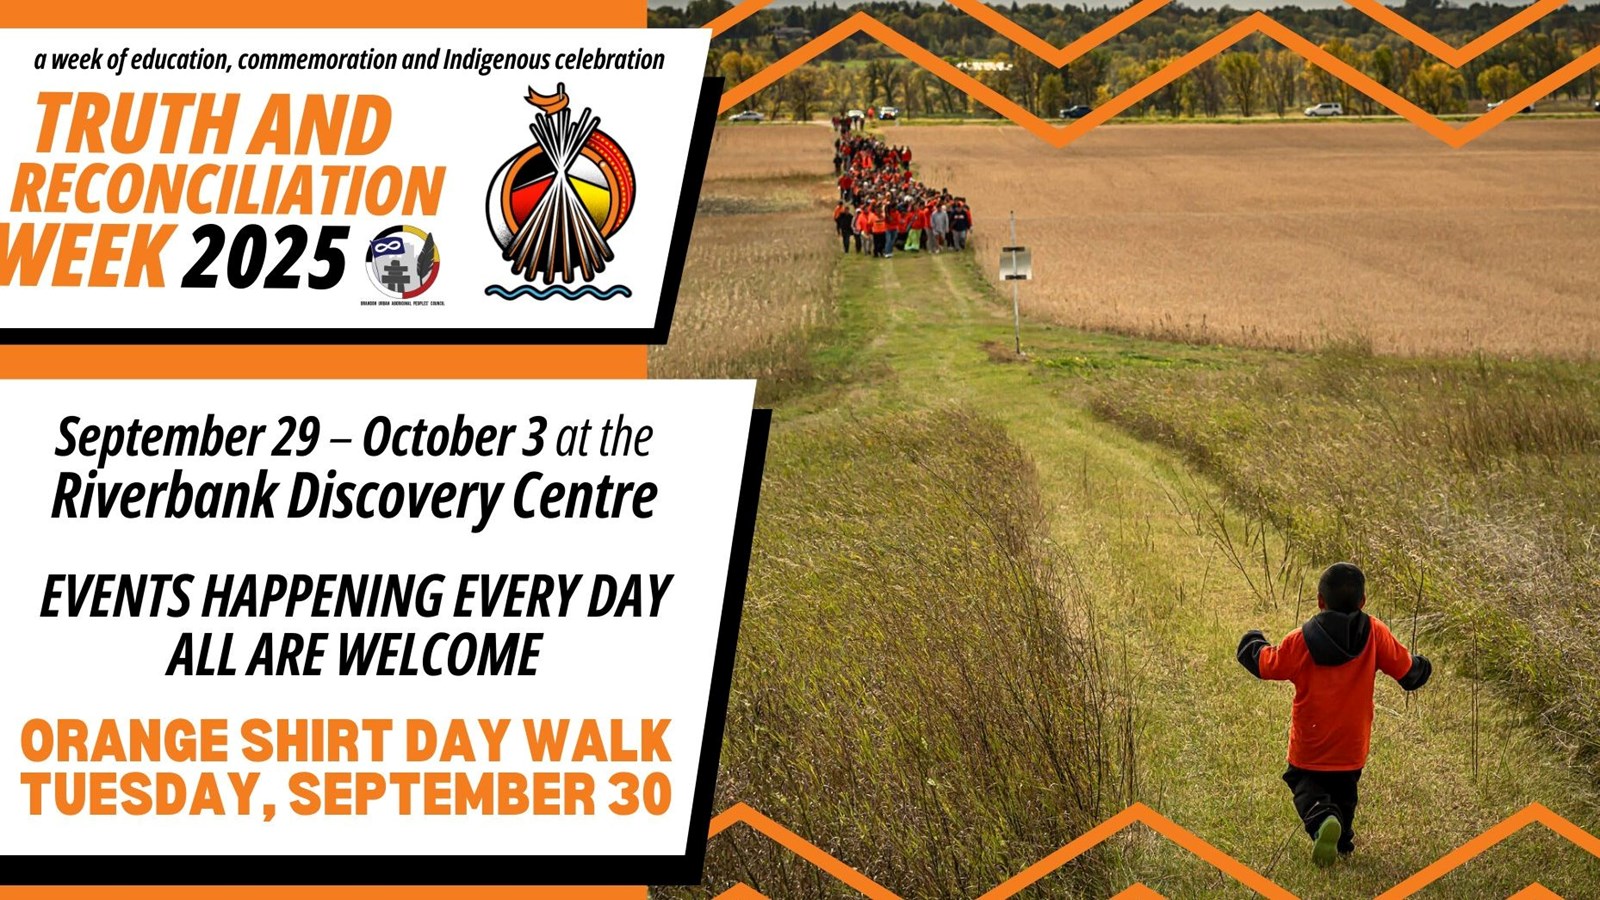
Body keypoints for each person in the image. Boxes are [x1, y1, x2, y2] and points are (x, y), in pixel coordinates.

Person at [1237, 562, 1432, 867]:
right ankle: (1340, 843)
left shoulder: (1300, 640)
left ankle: (1322, 821)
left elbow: (1267, 665)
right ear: (1363, 601)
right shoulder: (1375, 633)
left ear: (1319, 600)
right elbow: (1408, 672)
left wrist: (1252, 642)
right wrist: (1423, 665)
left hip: (1311, 744)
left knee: (1304, 785)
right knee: (1344, 794)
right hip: (1352, 745)